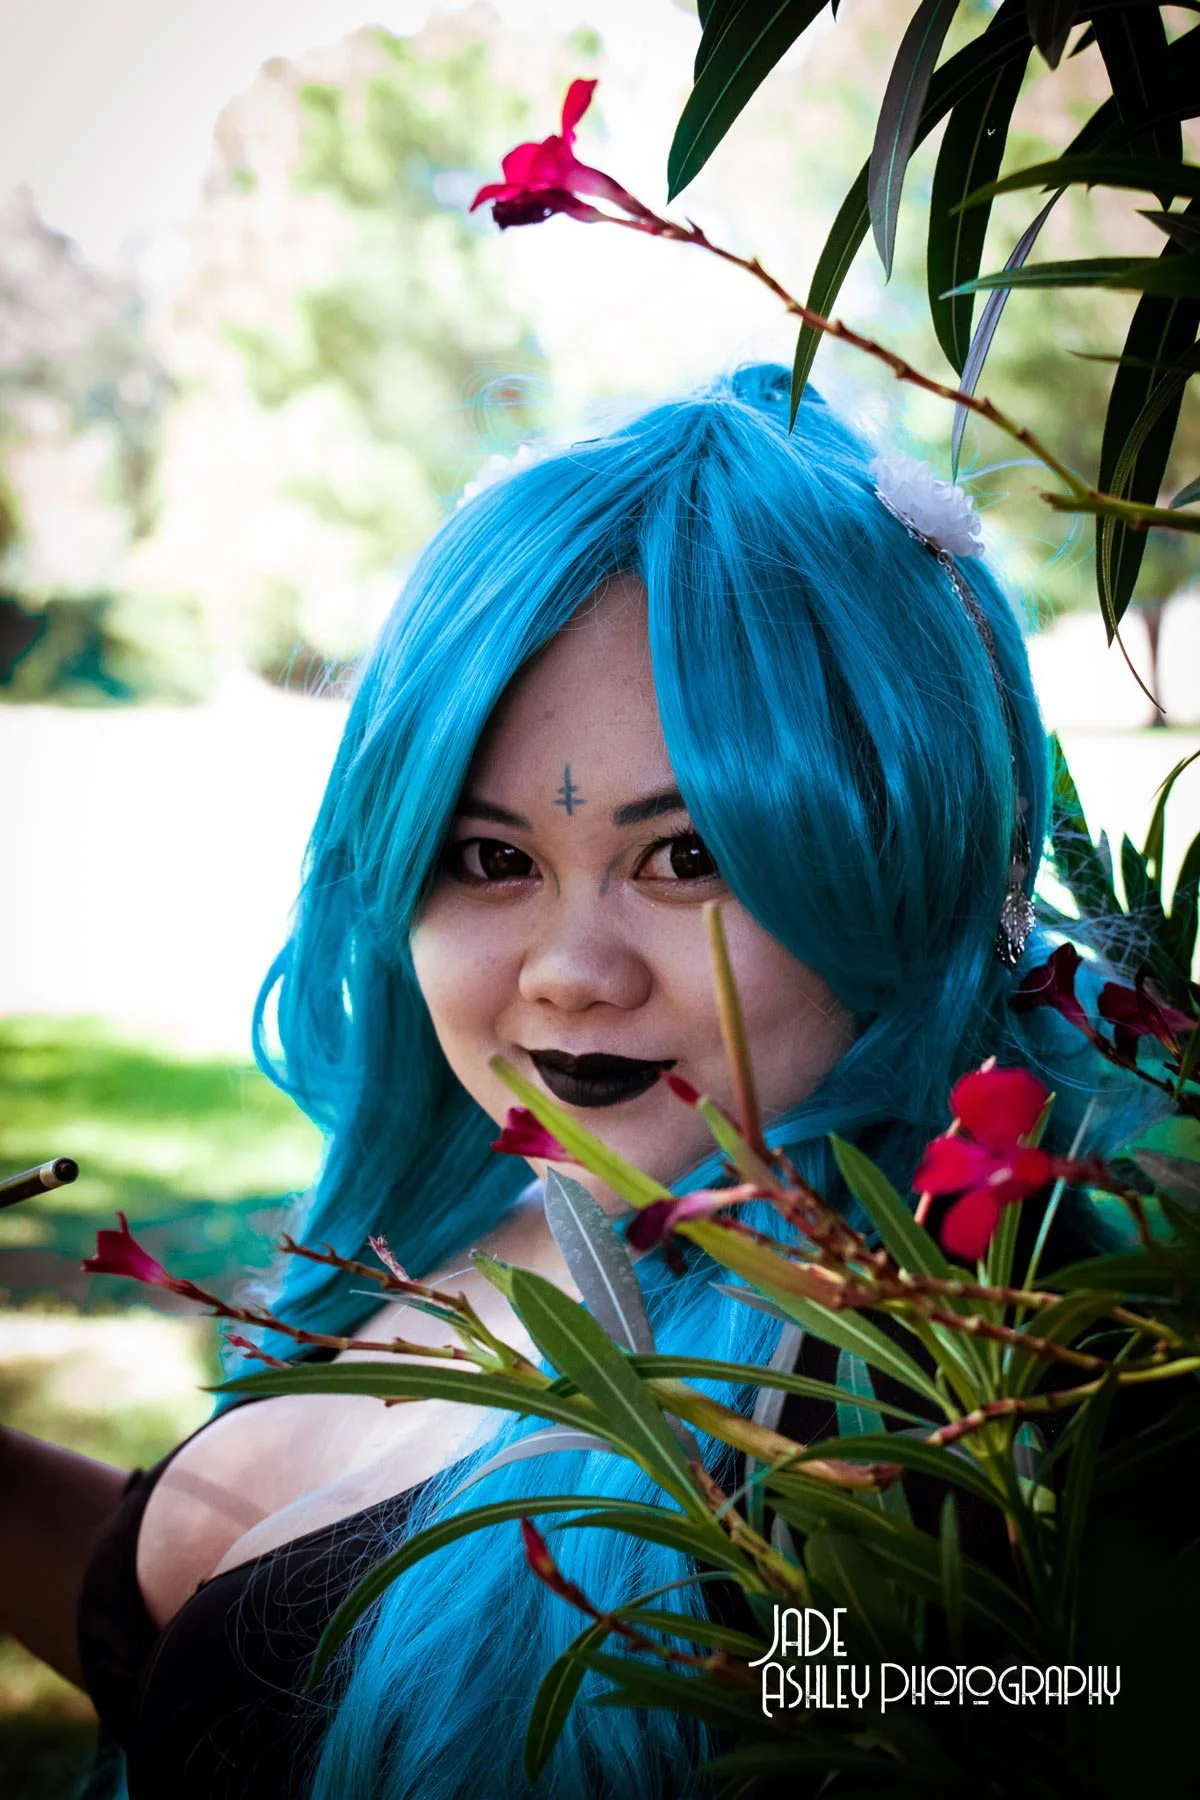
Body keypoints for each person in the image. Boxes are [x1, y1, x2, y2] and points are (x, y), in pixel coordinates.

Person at [0, 368, 1130, 1800]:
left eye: (690, 856)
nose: (569, 971)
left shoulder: (923, 1408)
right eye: (490, 858)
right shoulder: (489, 1197)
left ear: (908, 858)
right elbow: (210, 1683)